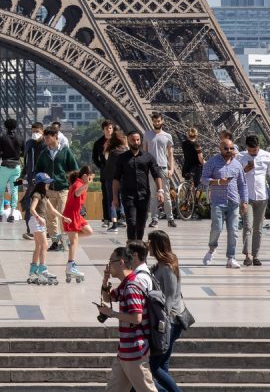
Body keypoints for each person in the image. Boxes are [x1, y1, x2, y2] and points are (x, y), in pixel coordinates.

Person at [97, 245, 156, 392]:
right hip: (125, 351)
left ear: (121, 262)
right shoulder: (126, 283)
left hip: (135, 350)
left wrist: (112, 313)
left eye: (111, 261)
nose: (109, 264)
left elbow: (136, 318)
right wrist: (105, 280)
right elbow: (108, 297)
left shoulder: (131, 286)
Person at [147, 230, 187, 392]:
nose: (147, 245)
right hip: (168, 321)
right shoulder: (160, 264)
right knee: (162, 364)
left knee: (152, 366)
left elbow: (170, 296)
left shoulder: (168, 266)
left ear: (157, 244)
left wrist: (163, 324)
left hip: (171, 321)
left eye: (149, 242)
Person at [200, 137, 248, 268]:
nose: (229, 150)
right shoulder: (212, 162)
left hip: (233, 201)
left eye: (231, 148)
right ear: (220, 149)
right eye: (226, 148)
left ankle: (231, 258)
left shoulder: (237, 165)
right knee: (216, 228)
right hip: (218, 201)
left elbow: (242, 185)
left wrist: (244, 201)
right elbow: (203, 179)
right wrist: (218, 181)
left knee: (233, 231)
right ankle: (212, 249)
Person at [111, 130, 165, 242]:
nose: (136, 142)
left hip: (144, 195)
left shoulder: (148, 157)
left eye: (137, 140)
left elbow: (156, 174)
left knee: (141, 223)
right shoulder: (122, 158)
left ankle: (139, 245)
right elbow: (116, 178)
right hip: (128, 194)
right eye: (133, 140)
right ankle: (131, 246)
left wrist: (160, 190)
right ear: (128, 141)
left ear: (140, 140)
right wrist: (115, 197)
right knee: (131, 222)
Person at [237, 135, 270, 266]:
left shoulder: (267, 156)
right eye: (250, 151)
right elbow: (236, 176)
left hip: (262, 196)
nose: (252, 153)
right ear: (246, 148)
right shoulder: (240, 157)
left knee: (258, 228)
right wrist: (245, 170)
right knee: (247, 226)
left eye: (254, 151)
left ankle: (256, 255)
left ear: (258, 147)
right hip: (246, 196)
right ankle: (247, 254)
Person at [37, 127, 77, 251]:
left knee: (63, 216)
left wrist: (72, 184)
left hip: (63, 189)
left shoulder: (66, 151)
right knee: (50, 218)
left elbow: (74, 169)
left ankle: (65, 242)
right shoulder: (44, 153)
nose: (46, 140)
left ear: (55, 137)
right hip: (49, 190)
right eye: (45, 137)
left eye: (48, 137)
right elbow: (39, 169)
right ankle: (55, 241)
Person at [25, 173, 69, 285]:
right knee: (44, 245)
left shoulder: (44, 195)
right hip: (37, 221)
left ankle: (33, 271)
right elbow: (32, 209)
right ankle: (43, 270)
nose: (49, 184)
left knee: (39, 246)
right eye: (47, 182)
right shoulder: (37, 194)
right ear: (41, 184)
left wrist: (64, 218)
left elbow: (53, 210)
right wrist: (39, 218)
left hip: (38, 222)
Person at [142, 112, 176, 228]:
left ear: (162, 121)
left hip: (163, 167)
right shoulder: (147, 135)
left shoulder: (168, 136)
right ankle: (154, 219)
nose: (157, 123)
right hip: (151, 168)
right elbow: (144, 152)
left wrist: (171, 169)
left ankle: (170, 218)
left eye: (158, 121)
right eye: (155, 121)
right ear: (152, 122)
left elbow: (171, 154)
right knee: (153, 195)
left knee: (166, 195)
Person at [62, 165, 95, 282]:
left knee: (89, 231)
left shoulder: (81, 183)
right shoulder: (78, 184)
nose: (91, 180)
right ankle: (70, 265)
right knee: (74, 242)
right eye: (90, 177)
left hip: (77, 215)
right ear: (85, 176)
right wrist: (87, 184)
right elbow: (76, 193)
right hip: (70, 215)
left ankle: (67, 238)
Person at [19, 122, 47, 239]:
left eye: (37, 132)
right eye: (33, 131)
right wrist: (22, 175)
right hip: (31, 179)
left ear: (43, 132)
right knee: (27, 202)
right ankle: (30, 229)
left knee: (41, 206)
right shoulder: (29, 144)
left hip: (42, 180)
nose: (35, 134)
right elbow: (27, 162)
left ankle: (44, 230)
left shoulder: (45, 145)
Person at [0, 118, 22, 222]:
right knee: (14, 190)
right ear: (15, 127)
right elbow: (23, 153)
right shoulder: (20, 138)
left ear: (6, 127)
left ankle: (0, 214)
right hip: (16, 169)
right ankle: (12, 214)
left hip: (4, 168)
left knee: (1, 190)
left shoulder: (2, 138)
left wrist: (4, 154)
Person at [104, 129, 129, 232]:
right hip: (123, 177)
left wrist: (106, 146)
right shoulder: (126, 150)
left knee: (112, 199)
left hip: (111, 178)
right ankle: (123, 216)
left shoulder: (110, 151)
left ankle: (114, 223)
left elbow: (105, 158)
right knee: (123, 197)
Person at [92, 120, 115, 227]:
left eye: (110, 128)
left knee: (117, 195)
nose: (109, 130)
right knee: (106, 196)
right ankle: (107, 218)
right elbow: (94, 157)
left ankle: (118, 217)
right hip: (105, 172)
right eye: (107, 128)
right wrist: (101, 166)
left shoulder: (117, 141)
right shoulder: (98, 143)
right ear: (103, 129)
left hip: (116, 172)